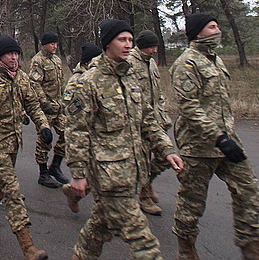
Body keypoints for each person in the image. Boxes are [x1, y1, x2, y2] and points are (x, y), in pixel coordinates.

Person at [66, 19, 183, 260]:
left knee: (98, 228)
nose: (128, 45)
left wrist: (166, 149)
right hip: (109, 175)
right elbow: (77, 131)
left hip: (133, 170)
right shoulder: (89, 82)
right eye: (122, 39)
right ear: (108, 43)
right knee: (144, 241)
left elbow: (148, 120)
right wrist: (78, 174)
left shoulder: (131, 78)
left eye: (130, 40)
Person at [170, 14, 259, 259]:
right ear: (198, 32)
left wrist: (227, 137)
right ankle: (186, 246)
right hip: (198, 145)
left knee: (248, 190)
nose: (218, 30)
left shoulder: (215, 60)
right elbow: (189, 107)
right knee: (193, 202)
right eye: (212, 27)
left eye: (217, 25)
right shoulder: (186, 63)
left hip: (227, 142)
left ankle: (250, 243)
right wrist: (218, 137)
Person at [0, 35, 51, 260]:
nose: (14, 57)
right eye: (9, 54)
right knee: (12, 192)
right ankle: (28, 245)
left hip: (14, 142)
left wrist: (43, 125)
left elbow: (32, 103)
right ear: (0, 56)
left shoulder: (21, 78)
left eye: (16, 53)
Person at [127, 30, 172, 216]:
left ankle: (147, 184)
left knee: (164, 156)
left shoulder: (151, 62)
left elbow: (157, 91)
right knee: (143, 161)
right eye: (151, 47)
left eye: (156, 47)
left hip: (155, 118)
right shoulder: (130, 62)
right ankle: (143, 197)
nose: (154, 50)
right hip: (138, 121)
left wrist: (162, 114)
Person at [60, 42, 102, 213]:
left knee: (100, 175)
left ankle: (74, 194)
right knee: (98, 175)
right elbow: (69, 106)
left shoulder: (100, 78)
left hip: (102, 136)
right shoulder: (77, 81)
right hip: (86, 135)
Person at [29, 31, 68, 188]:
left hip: (58, 106)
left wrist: (66, 100)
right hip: (45, 107)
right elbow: (34, 83)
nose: (55, 47)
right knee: (45, 139)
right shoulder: (38, 61)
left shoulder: (57, 60)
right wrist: (44, 102)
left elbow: (62, 82)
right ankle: (43, 173)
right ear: (44, 44)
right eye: (52, 44)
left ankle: (55, 166)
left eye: (56, 44)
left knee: (67, 133)